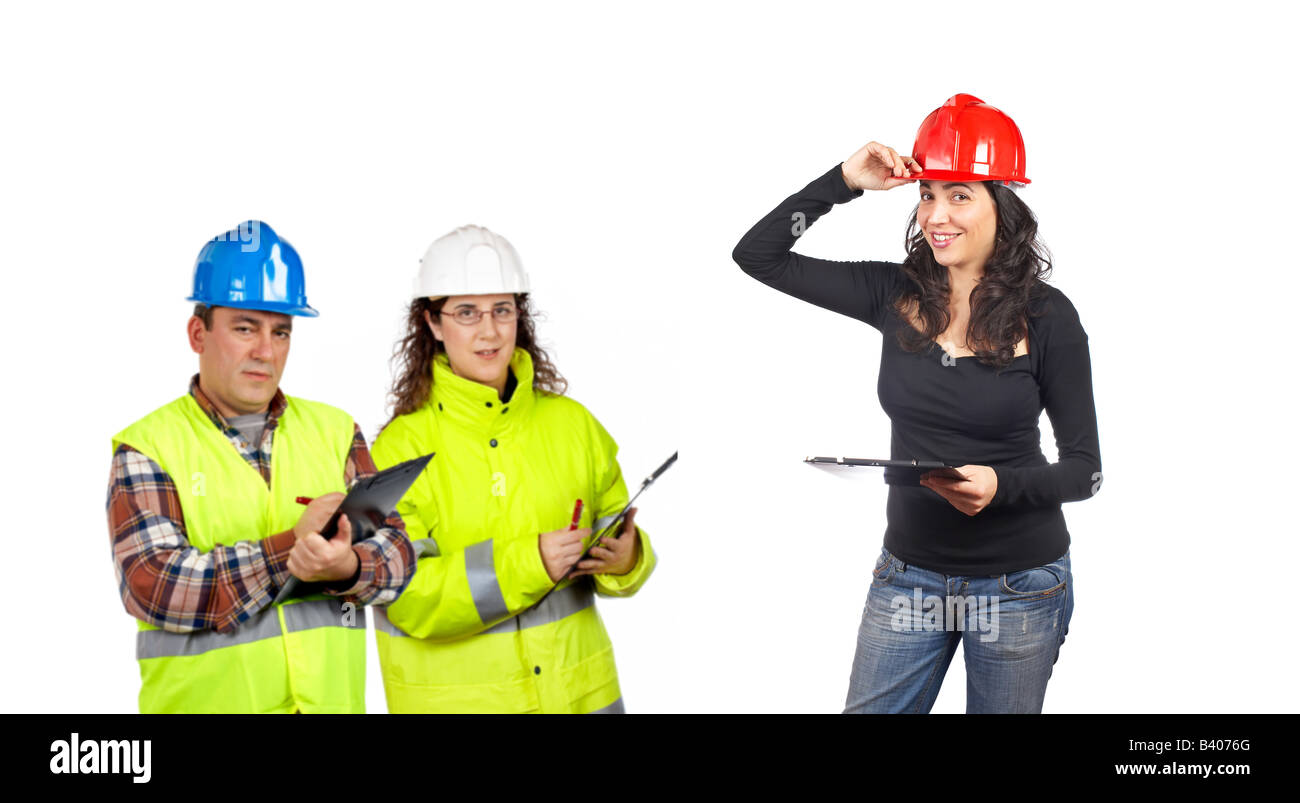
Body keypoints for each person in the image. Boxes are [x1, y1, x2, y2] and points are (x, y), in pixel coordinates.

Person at [732, 95, 1102, 714]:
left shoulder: (1049, 317)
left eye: (959, 194)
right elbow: (757, 256)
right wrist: (843, 183)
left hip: (1018, 587)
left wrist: (1001, 486)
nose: (936, 214)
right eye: (927, 194)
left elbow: (1086, 472)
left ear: (1002, 207)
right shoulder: (890, 292)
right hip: (909, 580)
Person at [107, 220, 416, 713]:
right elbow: (155, 584)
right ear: (197, 332)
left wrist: (349, 566)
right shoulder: (148, 446)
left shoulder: (335, 430)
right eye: (245, 328)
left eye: (281, 332)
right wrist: (291, 547)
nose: (265, 352)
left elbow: (399, 553)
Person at [370, 224, 655, 713]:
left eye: (503, 310)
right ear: (433, 323)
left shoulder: (573, 425)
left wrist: (627, 558)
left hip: (580, 697)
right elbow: (404, 595)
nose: (490, 331)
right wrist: (531, 562)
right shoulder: (400, 451)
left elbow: (618, 543)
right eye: (466, 312)